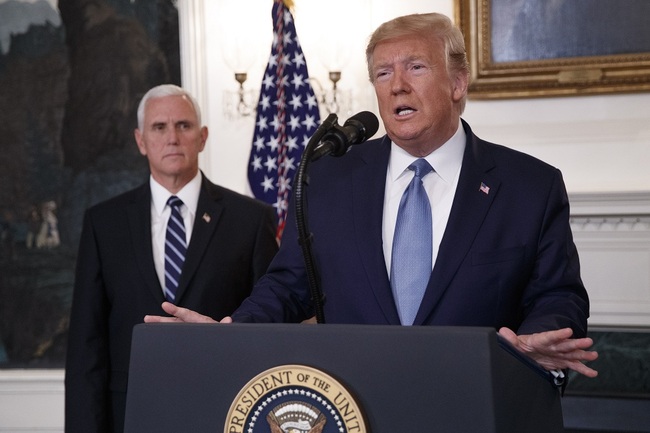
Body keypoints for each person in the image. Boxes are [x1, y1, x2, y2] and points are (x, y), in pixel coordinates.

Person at [146, 13, 598, 378]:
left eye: (415, 67)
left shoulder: (528, 187)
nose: (397, 84)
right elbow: (289, 285)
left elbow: (558, 296)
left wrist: (532, 344)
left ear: (458, 83)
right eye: (383, 73)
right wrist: (232, 332)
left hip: (477, 400)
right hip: (357, 405)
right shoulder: (330, 178)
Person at [65, 84, 279, 433]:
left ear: (203, 137)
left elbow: (270, 327)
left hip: (225, 408)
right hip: (130, 414)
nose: (173, 138)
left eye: (184, 125)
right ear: (140, 140)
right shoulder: (104, 223)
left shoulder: (251, 220)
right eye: (159, 127)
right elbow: (86, 346)